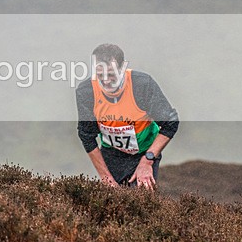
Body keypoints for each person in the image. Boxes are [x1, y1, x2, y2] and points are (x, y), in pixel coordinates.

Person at [75, 43, 179, 189]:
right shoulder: (86, 92)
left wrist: (148, 160)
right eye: (100, 75)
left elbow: (171, 123)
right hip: (111, 155)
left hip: (144, 152)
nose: (105, 80)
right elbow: (86, 135)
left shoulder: (142, 85)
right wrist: (106, 178)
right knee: (111, 205)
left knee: (142, 204)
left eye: (111, 74)